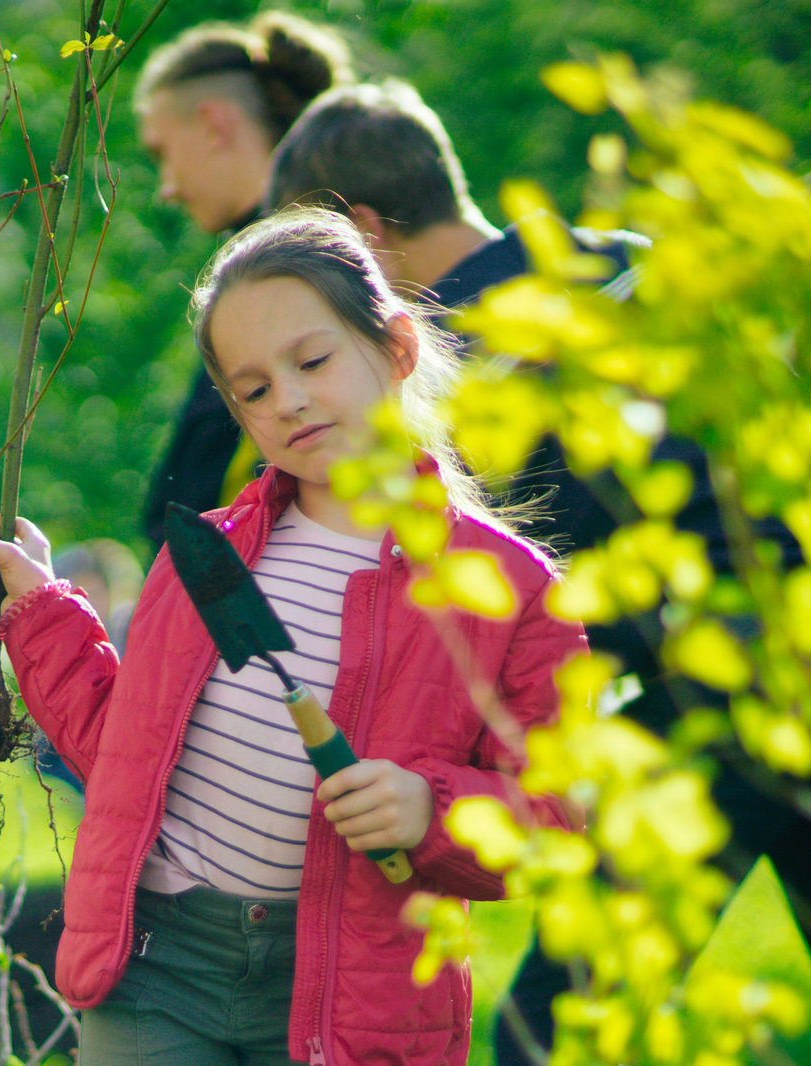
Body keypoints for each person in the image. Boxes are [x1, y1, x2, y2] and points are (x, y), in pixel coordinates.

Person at [265, 78, 811, 1062]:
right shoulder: (650, 274)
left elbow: (488, 630)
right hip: (757, 673)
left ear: (364, 235)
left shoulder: (482, 380)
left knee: (547, 1037)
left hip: (726, 703)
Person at [0, 208, 586, 1065]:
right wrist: (42, 613)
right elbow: (124, 761)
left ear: (399, 349)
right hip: (162, 965)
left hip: (350, 990)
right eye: (252, 389)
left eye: (313, 361)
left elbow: (555, 820)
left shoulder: (510, 590)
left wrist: (427, 808)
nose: (287, 399)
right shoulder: (206, 559)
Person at [132, 10, 355, 550]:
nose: (166, 187)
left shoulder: (297, 278)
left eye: (162, 152)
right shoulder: (305, 262)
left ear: (214, 124)